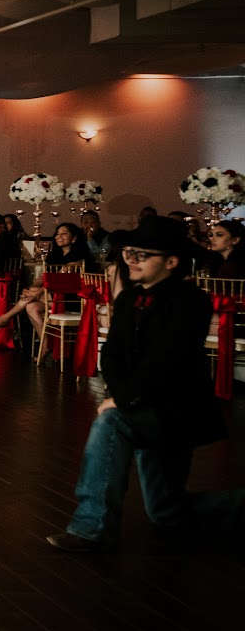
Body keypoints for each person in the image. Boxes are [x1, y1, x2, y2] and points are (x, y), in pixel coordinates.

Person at [48, 216, 243, 551]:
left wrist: (123, 398)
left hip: (177, 412)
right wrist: (122, 394)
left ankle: (92, 528)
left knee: (115, 426)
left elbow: (168, 358)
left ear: (171, 262)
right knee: (165, 509)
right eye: (129, 253)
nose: (132, 260)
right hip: (142, 405)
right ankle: (93, 526)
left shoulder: (191, 300)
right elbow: (112, 355)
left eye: (142, 255)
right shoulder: (130, 299)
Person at [0, 222, 95, 337]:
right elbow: (44, 277)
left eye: (64, 233)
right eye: (57, 234)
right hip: (53, 296)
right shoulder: (55, 256)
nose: (59, 236)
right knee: (31, 307)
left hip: (72, 299)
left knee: (35, 293)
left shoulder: (79, 258)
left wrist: (37, 293)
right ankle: (45, 342)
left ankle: (5, 318)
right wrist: (31, 289)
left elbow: (58, 279)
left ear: (74, 238)